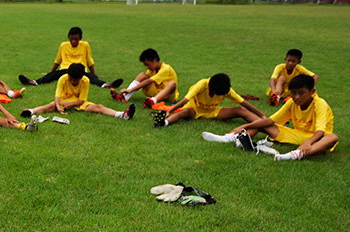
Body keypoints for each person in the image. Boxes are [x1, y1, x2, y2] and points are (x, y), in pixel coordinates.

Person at [203, 75, 338, 161]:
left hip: (318, 138)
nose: (297, 97)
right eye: (293, 93)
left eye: (301, 93)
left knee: (332, 138)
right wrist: (245, 126)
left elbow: (320, 132)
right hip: (298, 135)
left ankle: (295, 155)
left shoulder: (320, 104)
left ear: (312, 92)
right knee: (262, 124)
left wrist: (308, 143)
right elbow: (270, 121)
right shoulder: (291, 103)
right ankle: (231, 137)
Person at [20, 63, 135, 121]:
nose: (73, 82)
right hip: (63, 101)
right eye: (71, 79)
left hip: (78, 103)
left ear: (81, 78)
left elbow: (82, 100)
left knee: (98, 107)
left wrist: (69, 104)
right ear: (68, 75)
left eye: (76, 80)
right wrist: (58, 106)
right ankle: (30, 111)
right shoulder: (63, 78)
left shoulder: (85, 80)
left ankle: (122, 115)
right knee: (50, 106)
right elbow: (57, 96)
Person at [19, 27, 122, 89]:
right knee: (53, 76)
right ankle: (34, 82)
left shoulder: (85, 45)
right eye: (71, 39)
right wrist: (50, 72)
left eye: (76, 39)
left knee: (90, 77)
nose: (73, 41)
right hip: (65, 70)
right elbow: (57, 61)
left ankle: (106, 85)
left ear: (80, 38)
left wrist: (94, 75)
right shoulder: (63, 45)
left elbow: (90, 61)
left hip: (80, 71)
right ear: (68, 37)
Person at [152, 73, 264, 128]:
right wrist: (169, 111)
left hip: (212, 112)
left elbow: (245, 104)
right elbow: (185, 100)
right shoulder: (202, 84)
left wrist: (263, 116)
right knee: (184, 112)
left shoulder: (226, 90)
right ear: (212, 88)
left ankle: (262, 123)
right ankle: (164, 122)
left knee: (241, 110)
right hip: (194, 110)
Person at [111, 48, 179, 110]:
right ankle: (124, 97)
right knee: (142, 75)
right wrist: (130, 90)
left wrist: (130, 90)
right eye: (145, 65)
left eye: (148, 64)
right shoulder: (152, 70)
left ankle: (153, 101)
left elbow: (149, 81)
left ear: (155, 60)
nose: (147, 67)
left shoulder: (165, 68)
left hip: (169, 96)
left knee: (172, 84)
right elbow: (144, 81)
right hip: (157, 91)